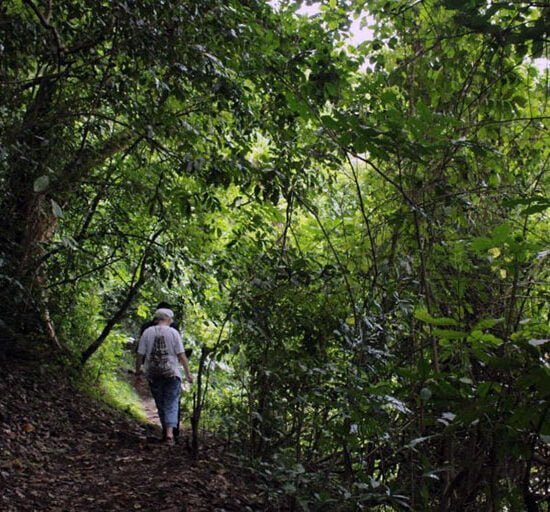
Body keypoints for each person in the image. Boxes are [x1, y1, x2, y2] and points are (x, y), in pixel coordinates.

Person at [135, 308, 193, 445]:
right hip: (171, 373)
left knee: (160, 403)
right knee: (172, 402)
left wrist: (138, 371)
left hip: (153, 373)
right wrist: (188, 374)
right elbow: (181, 355)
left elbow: (140, 354)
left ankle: (166, 432)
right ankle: (169, 434)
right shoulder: (174, 333)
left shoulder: (147, 332)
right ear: (168, 319)